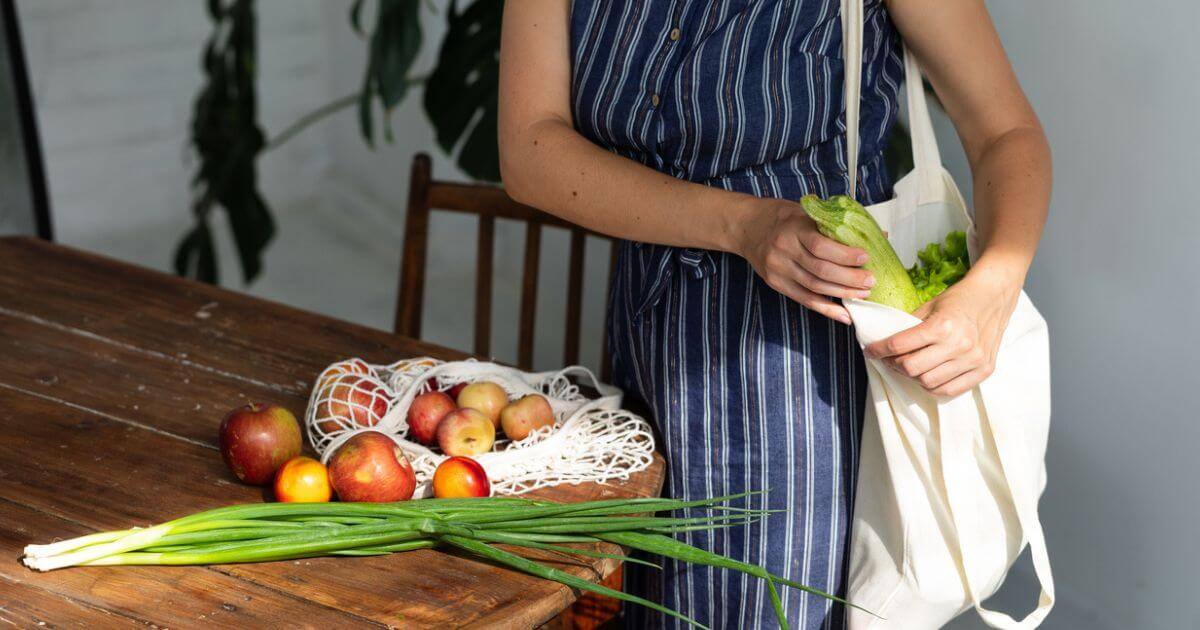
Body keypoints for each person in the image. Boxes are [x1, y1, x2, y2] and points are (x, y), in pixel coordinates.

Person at [498, 1, 1051, 627]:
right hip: (648, 338)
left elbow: (1005, 130)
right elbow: (529, 149)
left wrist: (993, 291)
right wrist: (745, 225)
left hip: (807, 370)